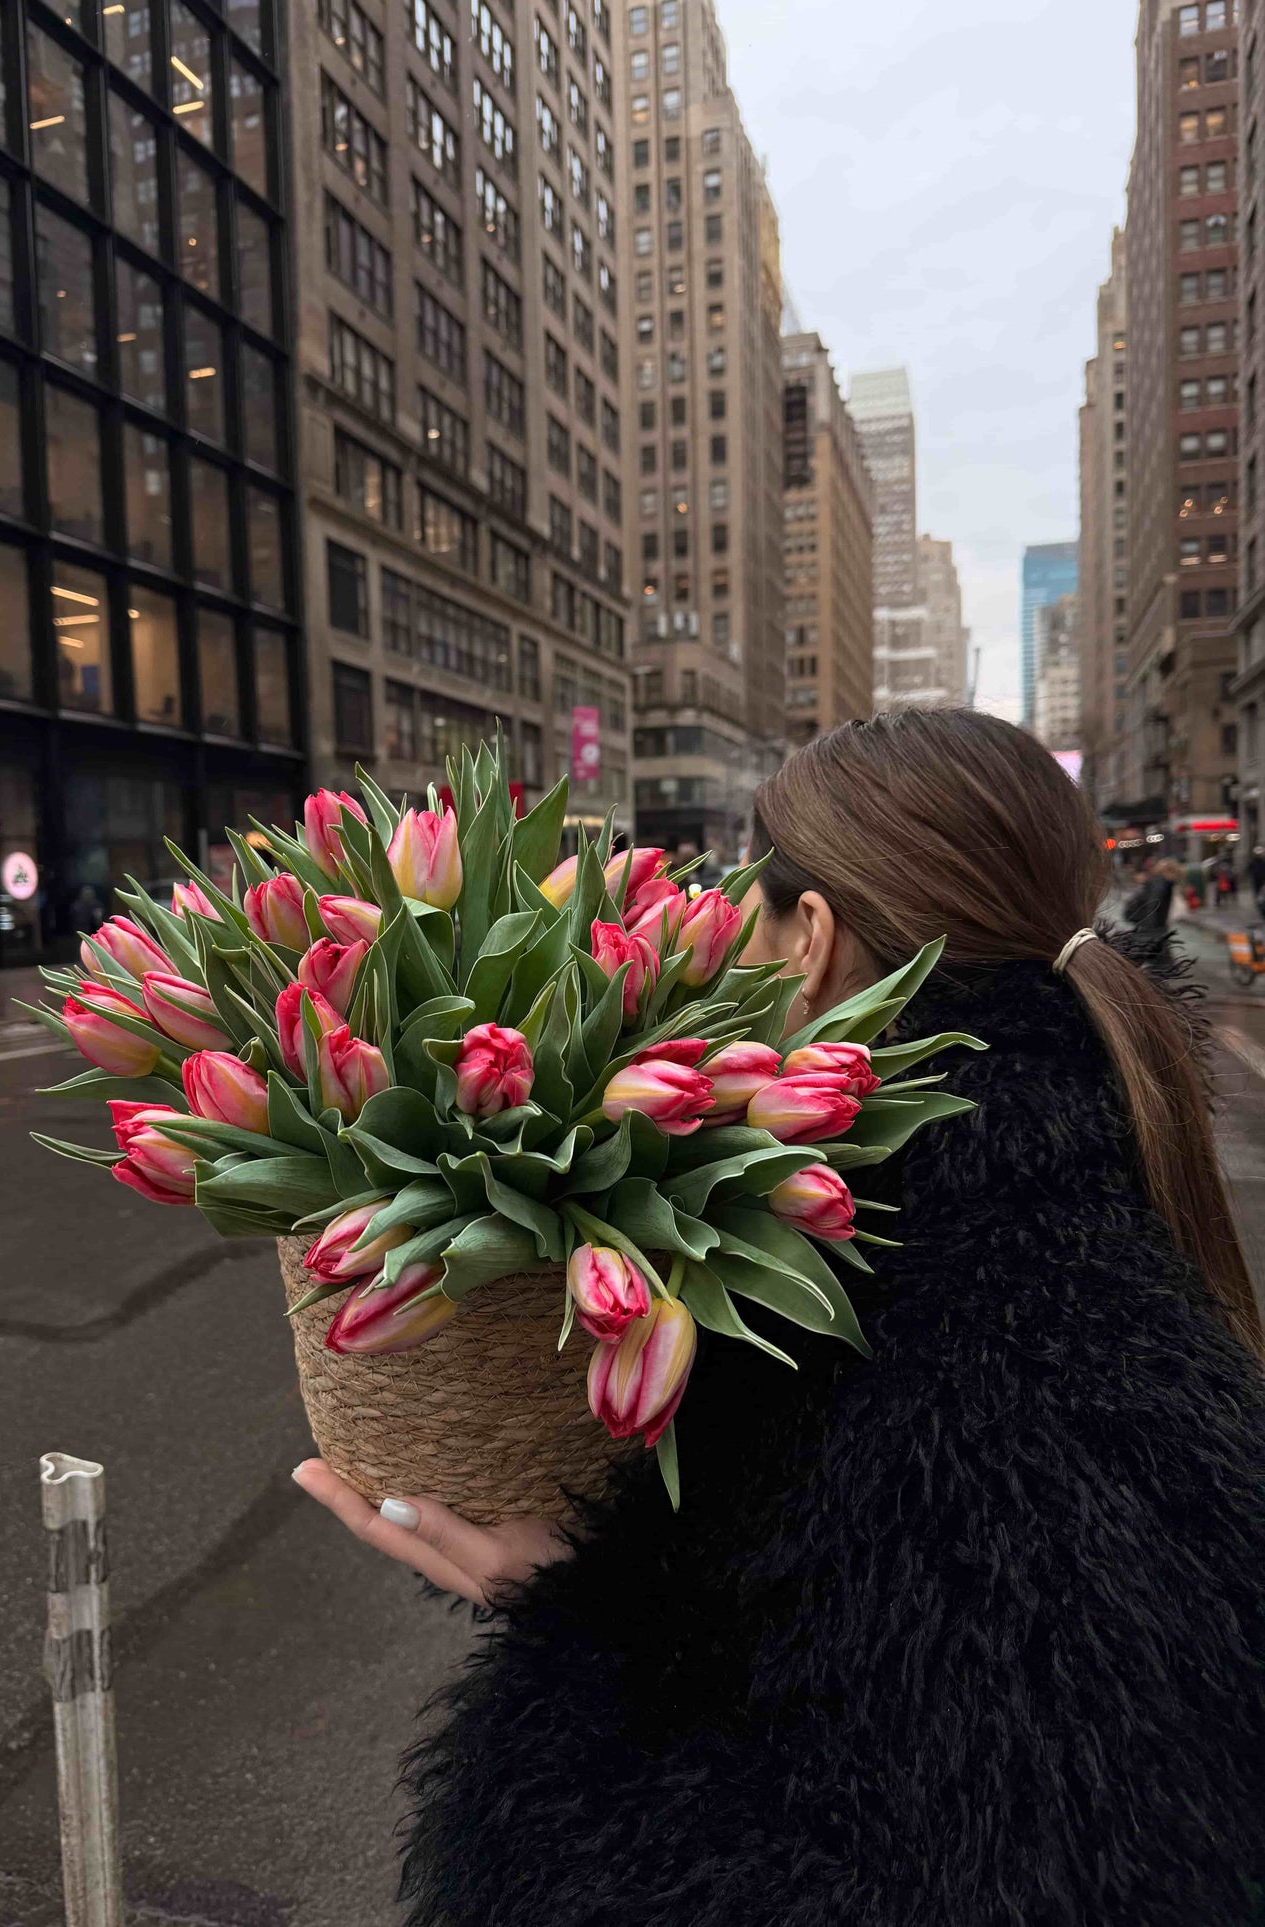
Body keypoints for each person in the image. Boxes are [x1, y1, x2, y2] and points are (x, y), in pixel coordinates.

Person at [295, 709, 1265, 1927]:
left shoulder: (892, 1313)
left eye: (743, 916)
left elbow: (960, 1854)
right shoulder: (1097, 1214)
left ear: (808, 936)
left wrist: (575, 1620)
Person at [1124, 853, 1177, 948]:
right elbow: (1152, 904)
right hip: (1154, 929)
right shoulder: (1160, 882)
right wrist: (1149, 928)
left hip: (1154, 927)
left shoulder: (1162, 882)